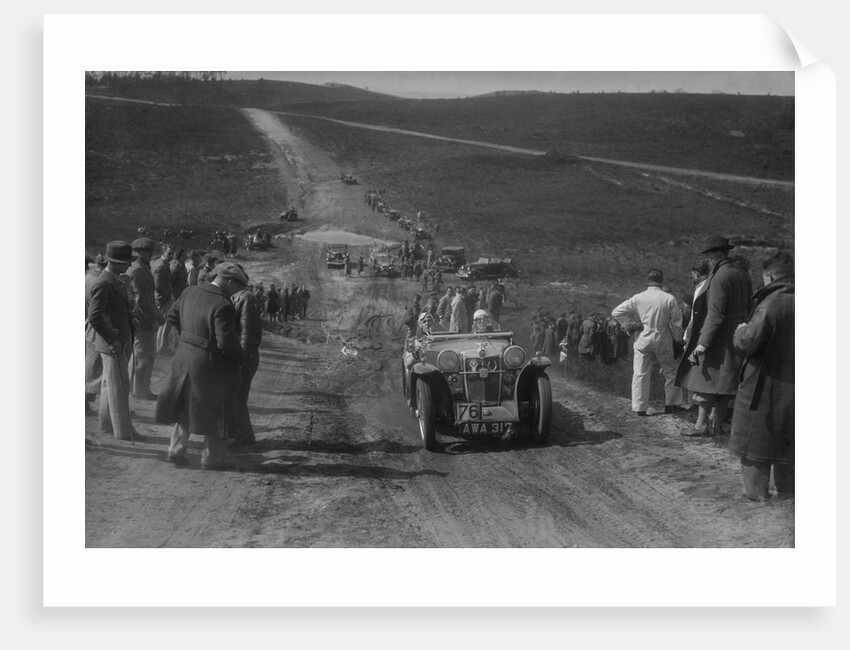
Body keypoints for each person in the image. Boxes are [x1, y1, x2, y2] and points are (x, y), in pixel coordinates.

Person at [155, 262, 247, 470]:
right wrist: (240, 358)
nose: (237, 292)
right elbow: (226, 342)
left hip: (183, 358)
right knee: (218, 412)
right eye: (237, 287)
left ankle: (175, 451)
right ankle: (212, 460)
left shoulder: (189, 291)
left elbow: (172, 317)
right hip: (210, 365)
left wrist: (188, 339)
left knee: (183, 407)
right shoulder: (223, 304)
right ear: (229, 281)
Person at [728, 252, 794, 501]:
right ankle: (789, 495)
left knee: (754, 442)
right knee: (789, 444)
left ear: (770, 275)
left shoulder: (771, 304)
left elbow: (749, 341)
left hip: (763, 384)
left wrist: (740, 332)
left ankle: (757, 497)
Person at [676, 236, 752, 436]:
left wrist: (702, 344)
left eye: (709, 255)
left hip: (719, 337)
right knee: (726, 382)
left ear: (718, 254)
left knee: (705, 379)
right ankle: (717, 425)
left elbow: (715, 314)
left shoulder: (719, 277)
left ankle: (701, 425)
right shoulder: (742, 275)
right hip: (738, 335)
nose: (708, 259)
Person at [612, 269, 684, 416]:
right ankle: (671, 404)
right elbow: (676, 323)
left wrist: (629, 324)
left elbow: (616, 312)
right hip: (662, 336)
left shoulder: (639, 297)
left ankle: (640, 408)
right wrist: (677, 341)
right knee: (671, 371)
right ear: (661, 280)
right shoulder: (669, 298)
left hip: (643, 335)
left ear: (648, 280)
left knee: (640, 373)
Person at [87, 241, 136, 439]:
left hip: (118, 339)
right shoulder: (103, 282)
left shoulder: (116, 280)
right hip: (112, 343)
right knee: (119, 388)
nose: (128, 265)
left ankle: (107, 424)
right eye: (125, 262)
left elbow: (116, 310)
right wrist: (113, 339)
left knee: (110, 386)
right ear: (115, 262)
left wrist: (130, 317)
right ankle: (123, 432)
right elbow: (95, 316)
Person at [127, 237, 165, 400]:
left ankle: (139, 388)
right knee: (143, 357)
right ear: (139, 251)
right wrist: (153, 320)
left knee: (143, 356)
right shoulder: (138, 270)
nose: (151, 254)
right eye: (148, 251)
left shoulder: (142, 267)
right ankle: (140, 390)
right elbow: (142, 300)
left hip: (143, 319)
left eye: (152, 251)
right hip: (143, 321)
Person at [231, 271, 263, 447]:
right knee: (237, 396)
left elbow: (248, 331)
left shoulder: (246, 298)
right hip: (245, 355)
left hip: (246, 355)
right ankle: (243, 435)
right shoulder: (241, 297)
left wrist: (242, 357)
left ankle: (244, 437)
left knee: (237, 397)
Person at [85, 252, 108, 412]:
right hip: (96, 326)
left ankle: (87, 401)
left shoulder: (87, 278)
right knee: (93, 365)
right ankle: (85, 401)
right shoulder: (99, 281)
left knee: (91, 364)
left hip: (89, 324)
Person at [152, 244, 175, 354]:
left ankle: (162, 346)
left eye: (172, 254)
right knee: (163, 324)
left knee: (164, 324)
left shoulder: (162, 263)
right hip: (162, 299)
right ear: (163, 253)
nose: (171, 256)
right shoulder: (161, 266)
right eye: (169, 253)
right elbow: (158, 285)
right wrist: (168, 296)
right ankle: (160, 347)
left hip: (163, 298)